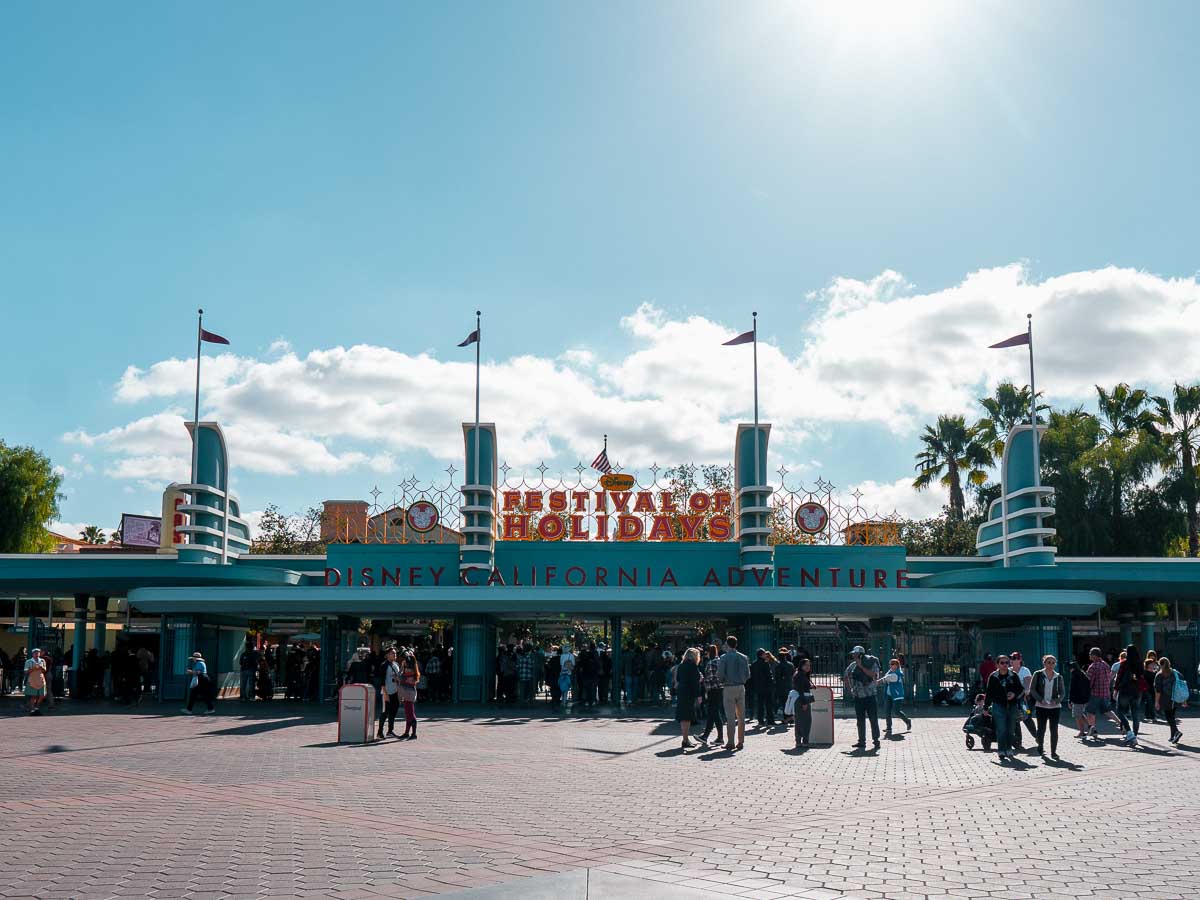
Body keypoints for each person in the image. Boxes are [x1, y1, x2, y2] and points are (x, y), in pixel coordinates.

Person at [986, 655, 1024, 762]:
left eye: (1007, 663)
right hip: (998, 706)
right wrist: (985, 707)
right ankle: (1001, 750)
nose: (1005, 665)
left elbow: (1021, 689)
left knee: (1011, 729)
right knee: (1001, 729)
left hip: (1012, 706)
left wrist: (1014, 695)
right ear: (997, 664)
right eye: (1002, 663)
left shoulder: (1013, 675)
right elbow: (989, 693)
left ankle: (1009, 748)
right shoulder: (993, 676)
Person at [844, 645, 881, 750]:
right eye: (853, 655)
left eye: (855, 654)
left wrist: (861, 667)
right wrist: (850, 689)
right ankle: (861, 741)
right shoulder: (852, 665)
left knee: (873, 719)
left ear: (860, 654)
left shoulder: (872, 662)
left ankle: (876, 741)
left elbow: (874, 675)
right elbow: (845, 676)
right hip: (858, 697)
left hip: (870, 696)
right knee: (860, 721)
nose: (853, 656)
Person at [716, 636, 750, 751]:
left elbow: (720, 674)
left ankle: (730, 742)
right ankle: (740, 741)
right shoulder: (744, 657)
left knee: (730, 717)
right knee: (741, 716)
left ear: (727, 644)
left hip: (728, 687)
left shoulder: (724, 658)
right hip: (741, 687)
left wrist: (722, 680)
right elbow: (747, 674)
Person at [1029, 654, 1064, 759]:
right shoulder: (1038, 674)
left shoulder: (1058, 676)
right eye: (1049, 662)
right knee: (1041, 729)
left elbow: (1062, 693)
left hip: (1055, 707)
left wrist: (1057, 700)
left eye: (1053, 663)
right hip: (1041, 706)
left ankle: (1053, 752)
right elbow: (1032, 689)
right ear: (1044, 663)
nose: (1051, 664)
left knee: (1054, 729)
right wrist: (1041, 699)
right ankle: (1040, 746)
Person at [1085, 647, 1123, 739]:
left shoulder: (1093, 667)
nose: (1089, 656)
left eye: (1090, 654)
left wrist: (1085, 691)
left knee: (1091, 712)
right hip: (1105, 693)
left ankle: (1093, 730)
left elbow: (1089, 681)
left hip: (1095, 693)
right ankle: (1121, 723)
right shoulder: (1105, 665)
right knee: (1107, 710)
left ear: (1094, 655)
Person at [1113, 644, 1145, 747]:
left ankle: (1129, 733)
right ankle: (1134, 736)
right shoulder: (1140, 663)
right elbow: (1141, 677)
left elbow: (1119, 677)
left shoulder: (1124, 663)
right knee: (1135, 713)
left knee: (1120, 711)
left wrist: (1115, 689)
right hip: (1137, 691)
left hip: (1125, 690)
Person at [675, 647, 703, 750]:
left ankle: (685, 738)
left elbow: (678, 679)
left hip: (681, 692)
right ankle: (685, 740)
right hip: (689, 693)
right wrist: (699, 695)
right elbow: (695, 683)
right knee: (687, 717)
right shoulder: (693, 667)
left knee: (683, 717)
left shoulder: (681, 666)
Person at [1009, 651, 1038, 750]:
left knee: (1027, 717)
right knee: (1015, 720)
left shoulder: (1025, 670)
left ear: (1020, 660)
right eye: (1011, 658)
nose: (1011, 661)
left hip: (1025, 700)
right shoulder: (1008, 670)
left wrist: (1022, 693)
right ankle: (1018, 742)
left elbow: (1027, 686)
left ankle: (1037, 736)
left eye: (1014, 658)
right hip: (1012, 700)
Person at [1154, 656, 1186, 745]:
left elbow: (1158, 690)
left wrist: (1156, 702)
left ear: (1160, 664)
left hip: (1165, 698)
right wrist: (1184, 699)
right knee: (1172, 716)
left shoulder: (1159, 675)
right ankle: (1173, 736)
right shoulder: (1175, 673)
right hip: (1175, 697)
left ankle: (1176, 732)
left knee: (1169, 717)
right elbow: (1182, 683)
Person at [699, 644, 725, 746]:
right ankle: (716, 737)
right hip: (721, 689)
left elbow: (709, 679)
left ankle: (707, 736)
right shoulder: (720, 661)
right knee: (715, 713)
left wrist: (703, 680)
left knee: (713, 712)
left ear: (709, 652)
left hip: (713, 690)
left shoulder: (711, 663)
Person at [878, 658, 911, 735]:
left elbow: (888, 678)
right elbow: (886, 678)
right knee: (887, 711)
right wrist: (881, 680)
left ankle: (907, 721)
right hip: (889, 694)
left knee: (897, 711)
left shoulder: (897, 673)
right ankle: (888, 727)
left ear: (897, 665)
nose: (891, 665)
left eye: (893, 664)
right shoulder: (890, 672)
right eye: (890, 664)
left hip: (897, 695)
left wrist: (878, 681)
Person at [377, 647, 401, 739]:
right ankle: (380, 732)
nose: (394, 655)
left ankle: (390, 731)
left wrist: (397, 680)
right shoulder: (384, 665)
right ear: (387, 655)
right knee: (385, 712)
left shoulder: (396, 664)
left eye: (395, 653)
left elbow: (398, 678)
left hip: (395, 691)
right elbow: (382, 681)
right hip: (387, 692)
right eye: (392, 653)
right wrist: (385, 693)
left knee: (393, 711)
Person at [750, 649, 777, 728]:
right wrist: (772, 682)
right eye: (764, 653)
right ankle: (770, 721)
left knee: (760, 704)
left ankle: (760, 721)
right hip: (767, 686)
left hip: (758, 687)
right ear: (761, 655)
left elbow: (752, 676)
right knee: (769, 704)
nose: (766, 655)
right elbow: (769, 675)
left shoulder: (753, 664)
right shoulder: (765, 663)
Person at [792, 656, 815, 748]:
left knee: (799, 721)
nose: (808, 667)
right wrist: (804, 703)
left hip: (800, 699)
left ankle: (799, 741)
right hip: (802, 700)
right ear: (801, 666)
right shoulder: (800, 675)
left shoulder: (801, 675)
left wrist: (810, 686)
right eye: (805, 665)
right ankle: (804, 741)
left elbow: (802, 687)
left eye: (809, 665)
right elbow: (800, 690)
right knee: (806, 721)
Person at [398, 651, 420, 739]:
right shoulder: (414, 671)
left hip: (409, 694)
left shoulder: (409, 673)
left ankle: (414, 733)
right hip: (409, 693)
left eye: (406, 666)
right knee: (408, 713)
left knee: (410, 713)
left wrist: (399, 675)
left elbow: (400, 678)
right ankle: (407, 732)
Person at [1067, 659, 1091, 738]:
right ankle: (1091, 728)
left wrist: (1070, 700)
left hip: (1077, 699)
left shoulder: (1074, 675)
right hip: (1084, 698)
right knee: (1081, 714)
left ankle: (1082, 732)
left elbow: (1072, 689)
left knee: (1077, 715)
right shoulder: (1083, 674)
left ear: (1072, 668)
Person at [23, 648, 48, 715]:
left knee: (43, 695)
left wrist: (41, 667)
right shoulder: (28, 662)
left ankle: (36, 706)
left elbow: (44, 670)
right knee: (33, 696)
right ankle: (32, 709)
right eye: (35, 653)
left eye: (38, 653)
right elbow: (25, 672)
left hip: (41, 679)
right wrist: (33, 668)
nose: (37, 654)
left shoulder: (42, 661)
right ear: (32, 654)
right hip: (32, 680)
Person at [775, 650, 795, 723]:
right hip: (790, 685)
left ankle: (786, 718)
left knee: (784, 703)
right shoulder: (791, 665)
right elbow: (793, 674)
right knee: (790, 702)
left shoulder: (779, 666)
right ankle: (791, 717)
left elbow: (777, 678)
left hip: (782, 687)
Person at [557, 645, 575, 709]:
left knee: (562, 687)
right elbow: (573, 665)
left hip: (562, 673)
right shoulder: (572, 656)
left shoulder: (561, 656)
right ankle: (565, 700)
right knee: (567, 687)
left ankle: (563, 701)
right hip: (569, 673)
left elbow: (561, 664)